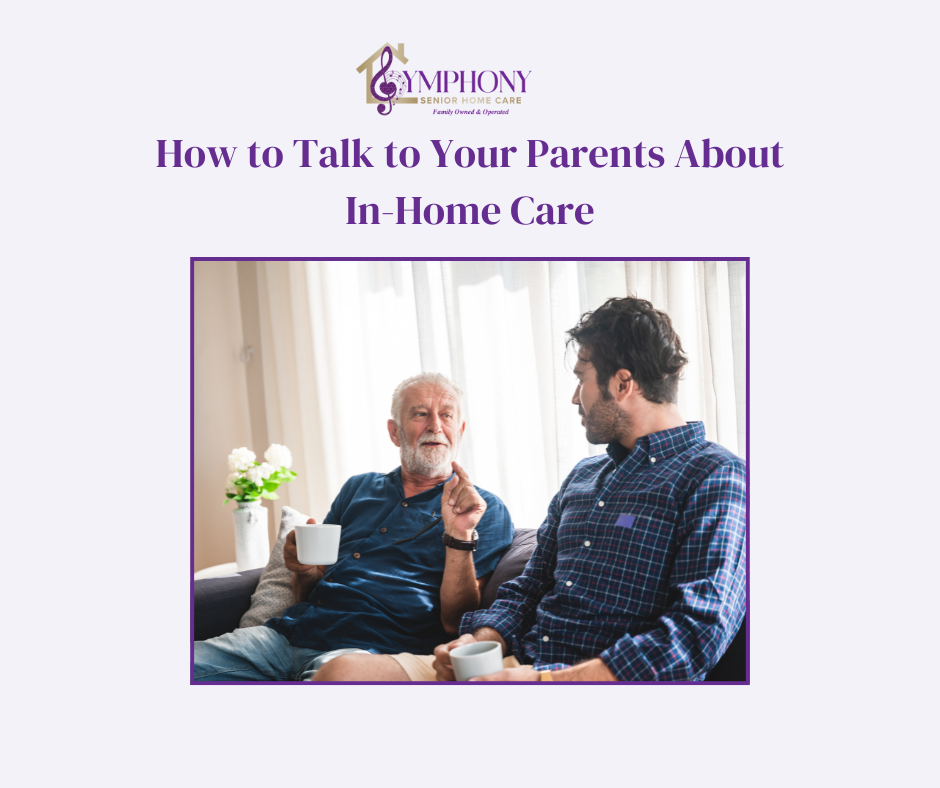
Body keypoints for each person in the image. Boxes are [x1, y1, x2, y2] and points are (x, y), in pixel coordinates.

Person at [354, 296, 745, 682]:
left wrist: (544, 683)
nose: (575, 398)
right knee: (343, 672)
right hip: (521, 664)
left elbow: (697, 634)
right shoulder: (584, 476)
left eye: (581, 379)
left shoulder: (715, 476)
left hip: (590, 681)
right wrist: (478, 641)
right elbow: (530, 588)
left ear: (623, 383)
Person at [193, 372, 514, 681]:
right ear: (394, 431)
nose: (435, 425)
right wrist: (303, 570)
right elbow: (310, 589)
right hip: (285, 636)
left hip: (367, 654)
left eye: (446, 415)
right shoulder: (358, 488)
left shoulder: (482, 509)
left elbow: (455, 623)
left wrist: (459, 536)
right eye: (420, 414)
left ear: (459, 429)